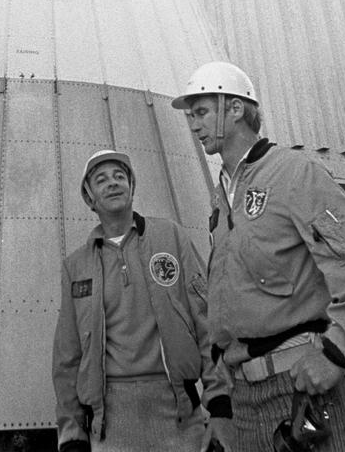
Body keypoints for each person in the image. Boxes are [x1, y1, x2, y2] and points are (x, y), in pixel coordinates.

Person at [172, 62, 345, 452]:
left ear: (235, 109)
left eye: (202, 111)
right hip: (245, 403)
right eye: (191, 115)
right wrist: (221, 404)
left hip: (304, 390)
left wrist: (338, 356)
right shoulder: (223, 197)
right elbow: (223, 313)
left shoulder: (293, 173)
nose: (193, 124)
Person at [52, 149, 234, 452]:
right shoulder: (77, 266)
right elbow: (67, 356)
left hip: (179, 417)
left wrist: (219, 402)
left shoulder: (170, 237)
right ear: (90, 198)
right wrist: (72, 434)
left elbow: (206, 320)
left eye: (119, 176)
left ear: (132, 188)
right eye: (101, 180)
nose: (113, 183)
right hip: (110, 425)